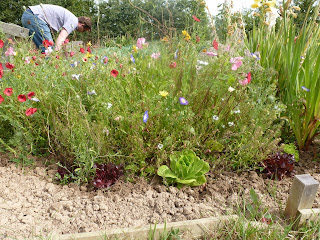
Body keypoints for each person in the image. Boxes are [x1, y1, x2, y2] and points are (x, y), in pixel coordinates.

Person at [21, 4, 91, 53]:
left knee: (42, 50)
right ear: (82, 25)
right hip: (34, 16)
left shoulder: (70, 20)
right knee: (49, 50)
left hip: (28, 15)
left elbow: (63, 43)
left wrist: (66, 59)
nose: (82, 32)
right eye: (84, 30)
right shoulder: (73, 22)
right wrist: (55, 57)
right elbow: (61, 37)